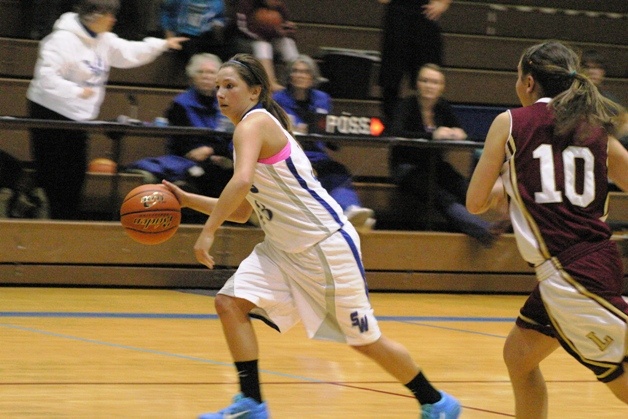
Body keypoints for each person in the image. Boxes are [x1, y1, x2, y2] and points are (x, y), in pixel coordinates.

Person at [161, 53, 462, 419]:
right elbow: (242, 210)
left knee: (364, 341)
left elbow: (239, 183)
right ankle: (252, 404)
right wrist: (187, 200)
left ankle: (435, 401)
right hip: (283, 248)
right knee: (229, 303)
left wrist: (206, 233)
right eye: (219, 87)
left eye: (230, 86)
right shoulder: (249, 129)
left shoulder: (252, 125)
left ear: (255, 92)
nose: (221, 93)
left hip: (324, 245)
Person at [466, 40, 628, 417]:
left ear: (527, 83)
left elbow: (474, 203)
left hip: (571, 275)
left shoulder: (510, 123)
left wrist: (507, 181)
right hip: (585, 263)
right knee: (519, 358)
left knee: (622, 384)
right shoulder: (595, 127)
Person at [26, 0, 188, 220]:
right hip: (48, 111)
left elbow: (128, 51)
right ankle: (46, 217)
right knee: (53, 173)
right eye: (109, 15)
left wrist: (161, 45)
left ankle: (66, 222)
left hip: (77, 116)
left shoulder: (104, 39)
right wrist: (75, 91)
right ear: (93, 16)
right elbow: (46, 78)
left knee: (75, 174)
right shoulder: (60, 40)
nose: (114, 20)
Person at [387, 63, 500, 246]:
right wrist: (432, 135)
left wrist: (459, 134)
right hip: (406, 168)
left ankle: (504, 224)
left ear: (442, 87)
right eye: (425, 80)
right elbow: (395, 133)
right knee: (439, 194)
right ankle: (484, 231)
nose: (429, 85)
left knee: (462, 186)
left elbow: (461, 131)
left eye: (435, 82)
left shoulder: (442, 107)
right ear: (417, 84)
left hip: (435, 165)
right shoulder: (406, 105)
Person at [272, 54, 376, 231]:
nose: (300, 75)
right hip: (288, 157)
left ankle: (351, 210)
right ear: (289, 75)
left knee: (337, 171)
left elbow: (328, 134)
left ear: (312, 76)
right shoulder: (277, 99)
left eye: (305, 71)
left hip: (317, 156)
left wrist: (335, 131)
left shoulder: (322, 99)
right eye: (295, 71)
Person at [165, 53, 234, 198]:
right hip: (190, 160)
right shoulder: (180, 105)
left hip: (224, 156)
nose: (205, 76)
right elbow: (180, 143)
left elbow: (235, 138)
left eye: (210, 72)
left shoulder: (229, 103)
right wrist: (208, 156)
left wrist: (213, 150)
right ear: (192, 76)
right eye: (200, 72)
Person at [377, 0, 451, 125]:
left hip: (426, 12)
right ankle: (394, 128)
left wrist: (444, 2)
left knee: (429, 76)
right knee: (391, 79)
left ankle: (427, 127)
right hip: (397, 13)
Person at [228, 0, 299, 91]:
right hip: (244, 40)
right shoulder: (245, 3)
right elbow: (241, 28)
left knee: (287, 42)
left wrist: (289, 32)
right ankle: (270, 82)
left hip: (270, 39)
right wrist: (261, 36)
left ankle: (299, 72)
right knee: (263, 45)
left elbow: (285, 26)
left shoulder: (279, 6)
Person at [161, 0, 227, 62]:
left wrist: (218, 25)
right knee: (191, 51)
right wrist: (169, 35)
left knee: (221, 52)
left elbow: (219, 18)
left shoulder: (217, 2)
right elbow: (166, 13)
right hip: (184, 34)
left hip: (206, 35)